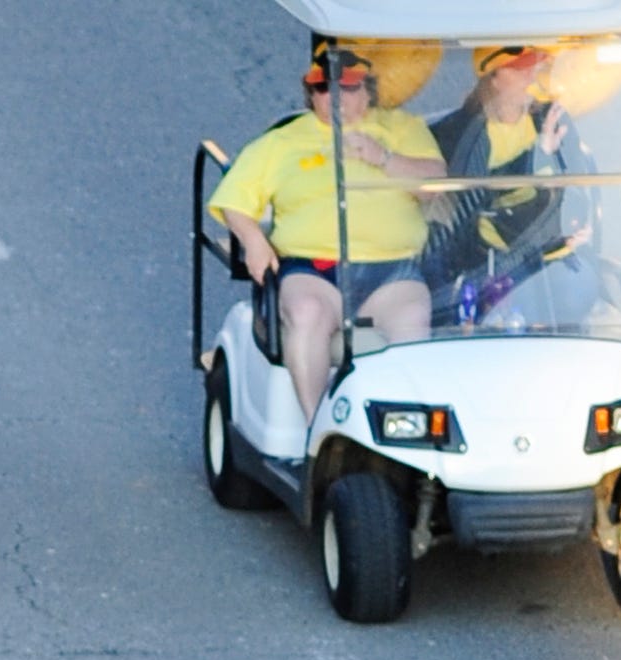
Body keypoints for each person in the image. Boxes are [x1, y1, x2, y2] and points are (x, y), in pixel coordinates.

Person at [206, 45, 445, 433]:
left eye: (348, 89)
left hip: (391, 269)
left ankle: (403, 435)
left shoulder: (402, 130)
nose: (335, 98)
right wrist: (253, 240)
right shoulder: (283, 141)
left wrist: (383, 158)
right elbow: (234, 199)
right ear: (311, 94)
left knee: (413, 320)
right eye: (323, 89)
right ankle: (318, 430)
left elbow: (435, 185)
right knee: (306, 314)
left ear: (368, 92)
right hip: (314, 269)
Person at [424, 45, 597, 331]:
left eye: (535, 65)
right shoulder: (460, 131)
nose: (532, 75)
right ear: (493, 77)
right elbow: (471, 198)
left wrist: (578, 221)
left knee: (576, 292)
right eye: (521, 67)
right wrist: (534, 157)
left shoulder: (551, 117)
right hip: (491, 259)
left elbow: (576, 184)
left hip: (552, 250)